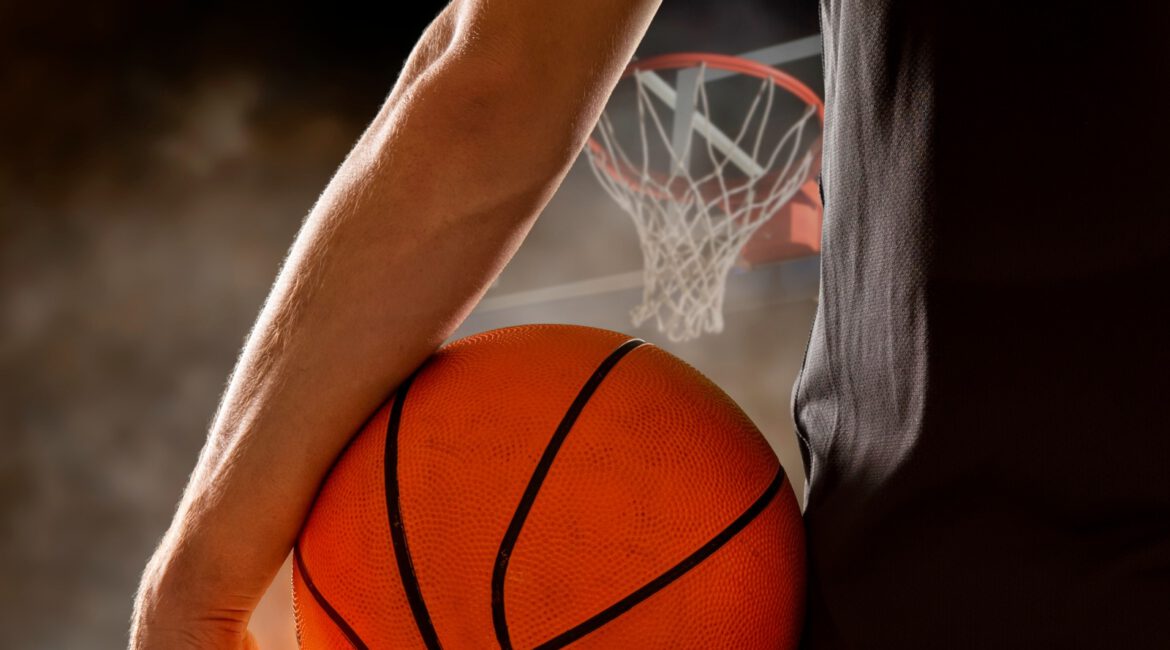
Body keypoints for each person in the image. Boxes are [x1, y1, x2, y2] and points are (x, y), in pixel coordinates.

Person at [132, 0, 1170, 648]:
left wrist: (199, 591)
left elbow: (498, 79)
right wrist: (196, 588)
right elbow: (494, 78)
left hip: (931, 584)